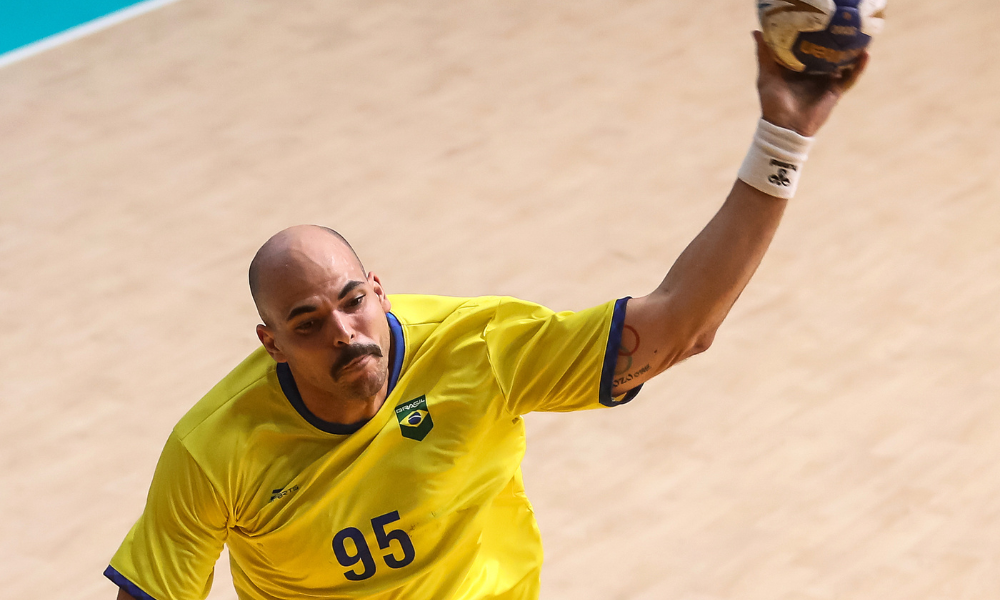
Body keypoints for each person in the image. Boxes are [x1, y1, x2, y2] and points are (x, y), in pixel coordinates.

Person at [106, 33, 868, 600]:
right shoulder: (213, 452)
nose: (343, 332)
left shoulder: (479, 350)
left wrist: (783, 137)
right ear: (270, 344)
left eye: (351, 301)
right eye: (307, 324)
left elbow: (679, 328)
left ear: (379, 290)